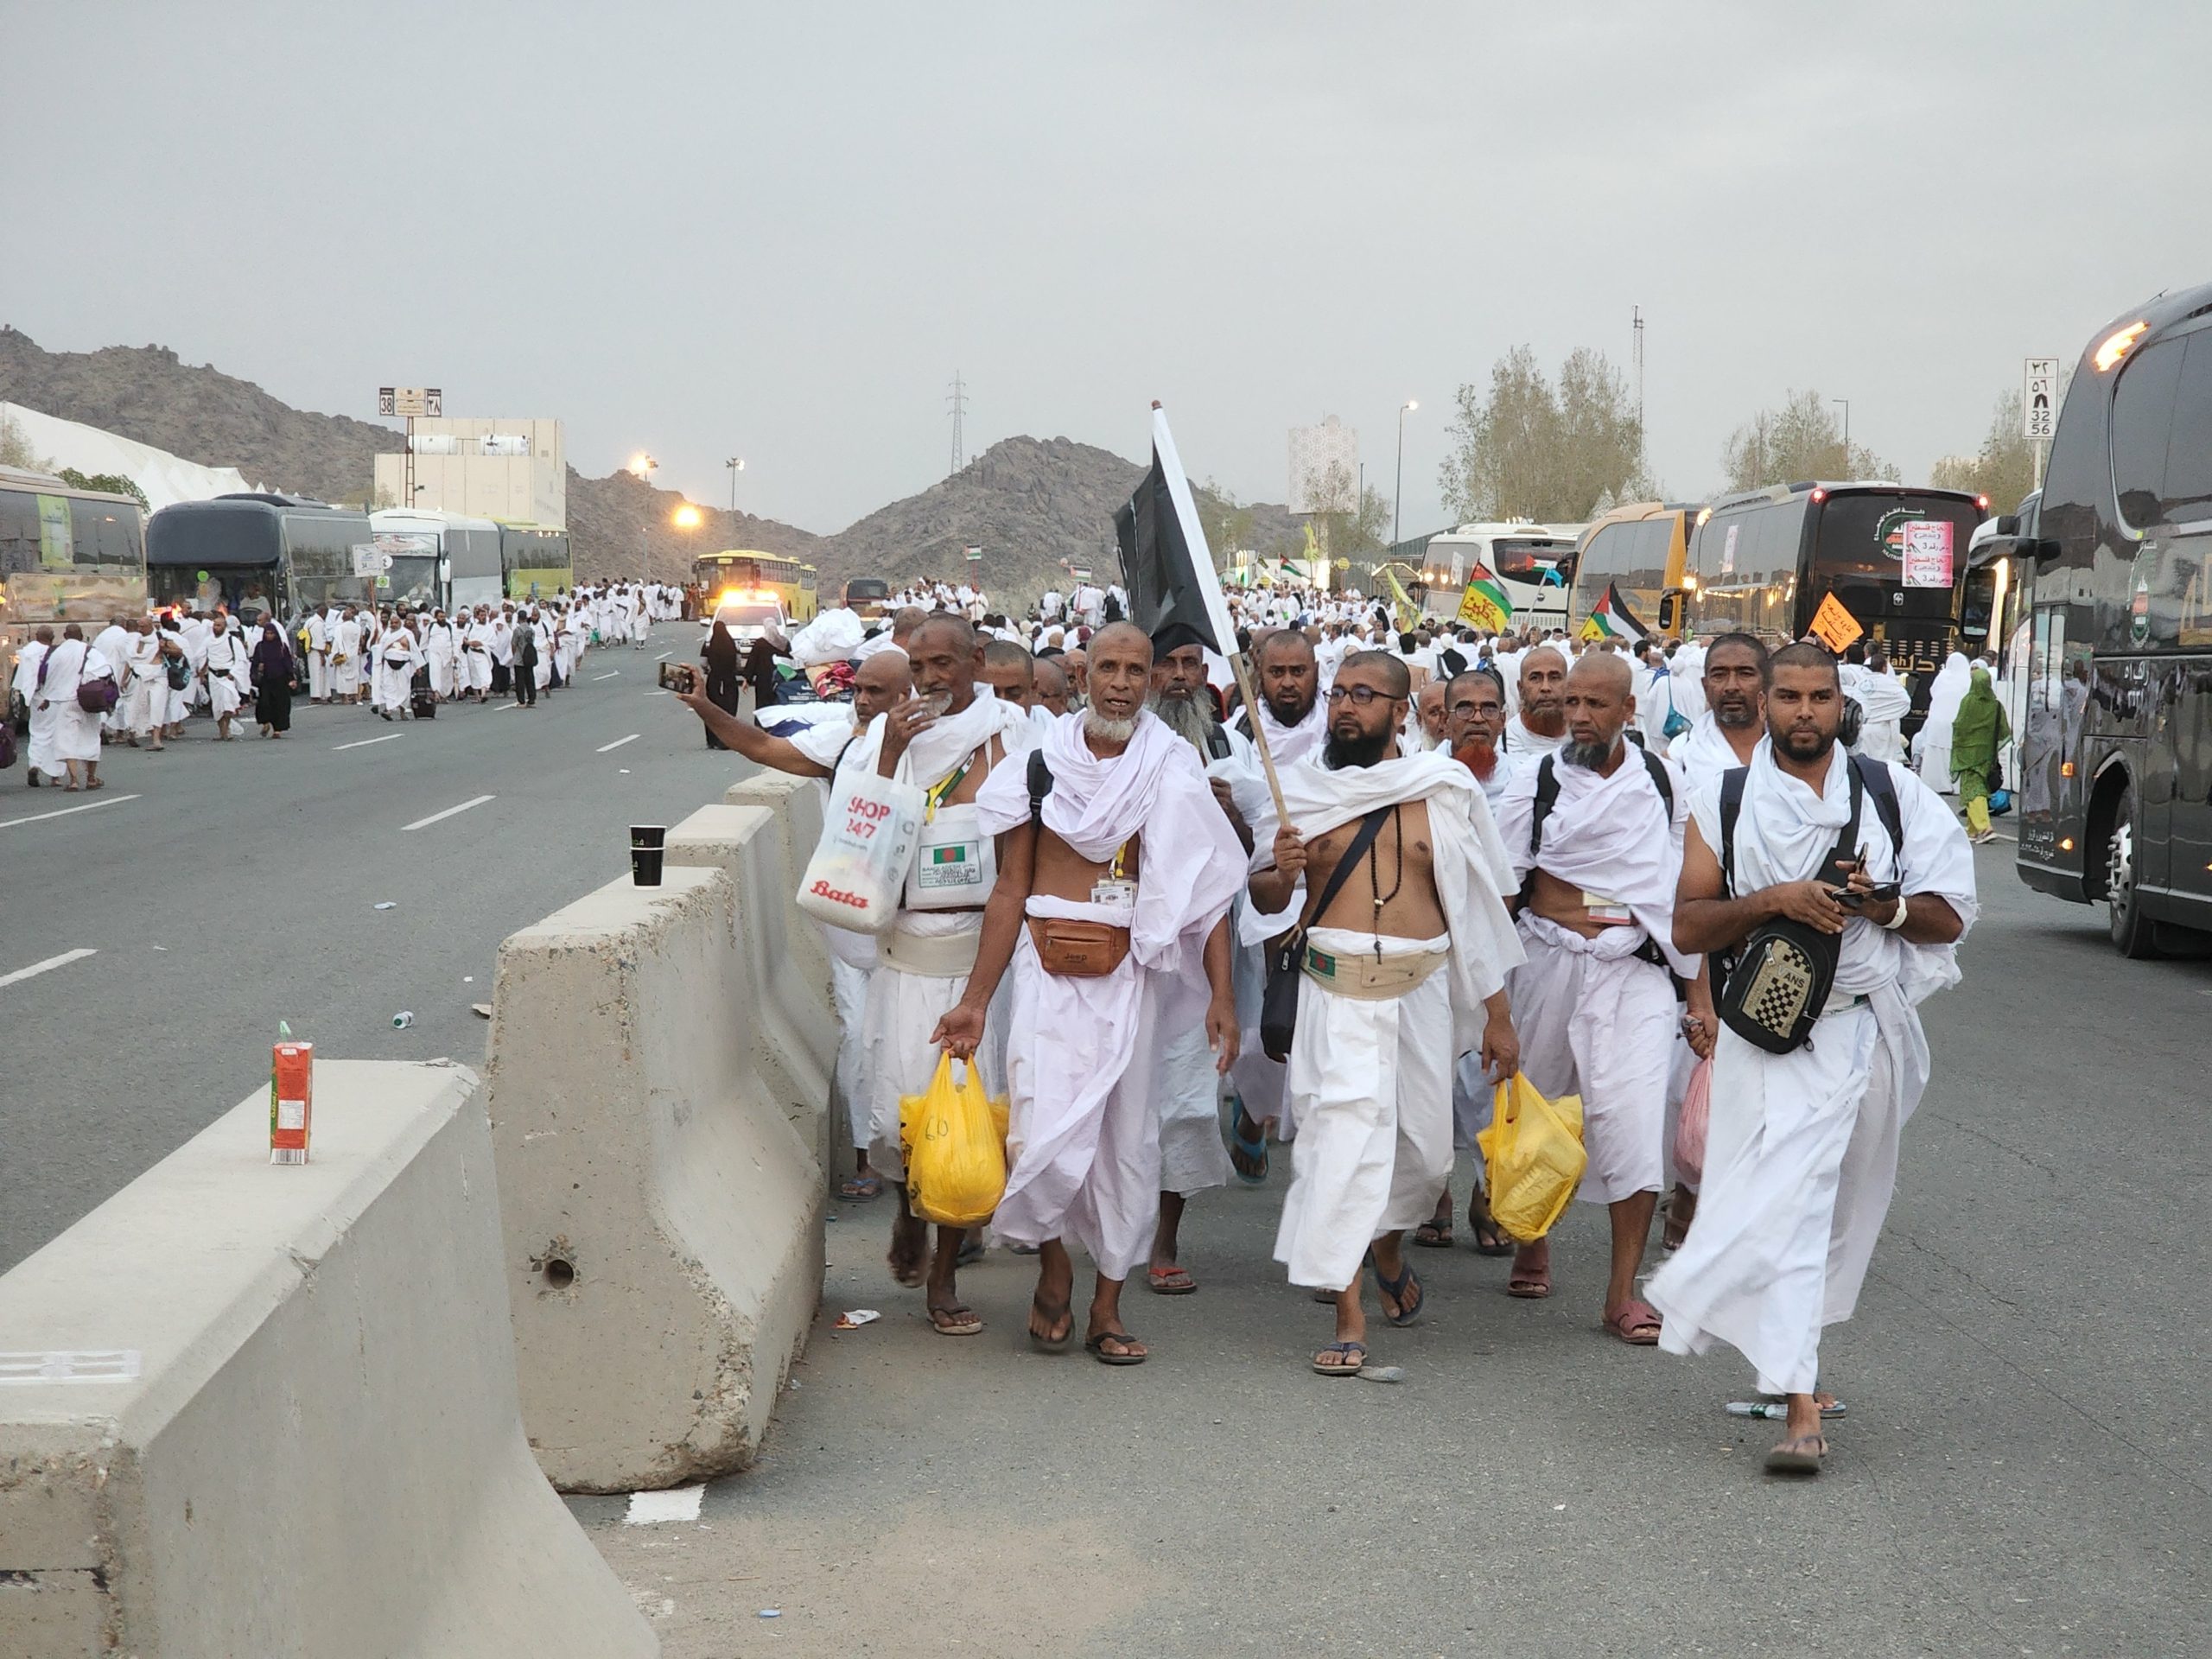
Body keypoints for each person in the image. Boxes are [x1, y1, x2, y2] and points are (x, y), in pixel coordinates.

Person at [1650, 644, 1976, 1475]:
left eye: (1819, 697)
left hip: (1863, 1032)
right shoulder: (1721, 800)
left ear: (1841, 703)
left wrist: (1885, 904)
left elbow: (1949, 918)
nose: (1803, 712)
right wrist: (1774, 901)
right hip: (1768, 1035)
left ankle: (1789, 1358)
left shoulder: (1892, 796)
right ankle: (1799, 1404)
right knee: (1791, 1208)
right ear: (1762, 703)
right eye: (1787, 696)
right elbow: (1688, 926)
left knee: (1831, 1214)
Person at [934, 622, 1245, 1366]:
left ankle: (1107, 1306)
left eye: (1135, 671)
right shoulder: (1038, 767)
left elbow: (1203, 900)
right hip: (1045, 973)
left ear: (1149, 680)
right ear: (1084, 676)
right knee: (1040, 1128)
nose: (1120, 683)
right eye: (1107, 667)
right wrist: (976, 999)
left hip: (1129, 973)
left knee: (1125, 1139)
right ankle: (1053, 1267)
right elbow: (1010, 889)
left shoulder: (1171, 767)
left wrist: (1223, 997)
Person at [1249, 650, 1522, 1374]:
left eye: (1363, 695)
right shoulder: (1301, 795)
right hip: (1334, 994)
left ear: (1402, 711)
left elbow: (1478, 911)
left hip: (1421, 994)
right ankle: (1348, 1314)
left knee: (1425, 1157)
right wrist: (1281, 869)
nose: (1344, 706)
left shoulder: (1445, 788)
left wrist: (1498, 1016)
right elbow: (1267, 903)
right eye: (1338, 694)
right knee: (1338, 1147)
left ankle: (1389, 1250)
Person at [1491, 652, 1711, 1340]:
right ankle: (1533, 1236)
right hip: (1548, 964)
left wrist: (1699, 997)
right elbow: (1500, 895)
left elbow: (1688, 897)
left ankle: (1622, 1294)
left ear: (1627, 712)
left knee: (1633, 1125)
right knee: (1540, 1111)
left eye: (1594, 705)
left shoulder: (1665, 783)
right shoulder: (1537, 783)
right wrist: (1494, 1008)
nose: (1578, 717)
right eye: (1571, 704)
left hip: (1636, 972)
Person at [855, 616, 1034, 1335]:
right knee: (907, 1109)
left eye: (943, 664)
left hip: (979, 952)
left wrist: (982, 991)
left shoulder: (1015, 737)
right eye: (919, 666)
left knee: (969, 1112)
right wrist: (891, 753)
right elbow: (857, 836)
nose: (930, 680)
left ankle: (944, 1272)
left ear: (976, 662)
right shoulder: (882, 739)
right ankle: (908, 1214)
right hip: (905, 953)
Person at [1137, 638, 1253, 1294]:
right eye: (1166, 666)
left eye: (1190, 666)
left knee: (1183, 1096)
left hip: (1197, 948)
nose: (1178, 678)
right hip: (1116, 953)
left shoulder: (1234, 751)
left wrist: (1228, 817)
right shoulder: (1105, 749)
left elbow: (1245, 859)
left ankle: (1163, 1236)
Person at [1223, 627, 1328, 1182]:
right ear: (1258, 675)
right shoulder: (1237, 734)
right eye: (1276, 673)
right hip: (1266, 890)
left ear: (1316, 671)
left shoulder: (1342, 727)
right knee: (1269, 1024)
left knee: (1322, 1034)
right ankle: (1255, 1110)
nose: (1289, 683)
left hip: (1335, 896)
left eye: (1299, 672)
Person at [32, 624, 113, 791]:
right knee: (91, 737)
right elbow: (105, 671)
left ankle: (74, 780)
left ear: (65, 635)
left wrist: (47, 698)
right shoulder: (91, 651)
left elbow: (49, 677)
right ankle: (91, 778)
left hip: (66, 702)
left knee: (66, 739)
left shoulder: (57, 653)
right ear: (82, 635)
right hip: (89, 702)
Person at [1948, 664, 2010, 843]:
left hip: (1968, 754)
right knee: (1976, 788)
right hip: (1987, 756)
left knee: (1974, 791)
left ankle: (1984, 828)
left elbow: (1960, 725)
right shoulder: (1996, 705)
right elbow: (2004, 731)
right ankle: (1972, 830)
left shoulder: (1969, 701)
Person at [1914, 651, 1971, 792]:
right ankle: (1956, 785)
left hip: (1937, 721)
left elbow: (1933, 691)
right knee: (1954, 753)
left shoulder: (1942, 676)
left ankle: (1937, 784)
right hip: (1957, 721)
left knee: (1936, 753)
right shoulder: (1968, 680)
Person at [1505, 645, 1568, 757]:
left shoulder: (1587, 739)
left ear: (1568, 685)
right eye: (1535, 678)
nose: (1545, 687)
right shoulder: (1504, 745)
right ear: (1521, 689)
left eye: (1554, 677)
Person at [200, 613, 250, 741]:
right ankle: (221, 732)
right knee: (217, 706)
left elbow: (241, 659)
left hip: (226, 677)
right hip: (213, 676)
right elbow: (202, 657)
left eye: (219, 625)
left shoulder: (232, 641)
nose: (216, 628)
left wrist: (233, 673)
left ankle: (226, 729)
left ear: (225, 627)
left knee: (227, 704)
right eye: (214, 625)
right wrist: (201, 673)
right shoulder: (208, 641)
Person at [250, 618, 298, 737]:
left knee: (280, 704)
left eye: (272, 633)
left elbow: (287, 662)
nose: (269, 636)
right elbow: (254, 662)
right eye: (267, 633)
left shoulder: (281, 646)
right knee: (265, 703)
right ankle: (266, 723)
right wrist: (258, 669)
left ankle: (277, 730)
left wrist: (292, 677)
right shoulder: (260, 646)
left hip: (280, 679)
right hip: (266, 679)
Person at [701, 616, 743, 749]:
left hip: (715, 680)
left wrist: (710, 669)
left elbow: (703, 663)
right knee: (729, 710)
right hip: (729, 680)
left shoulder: (708, 646)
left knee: (712, 711)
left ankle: (712, 741)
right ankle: (727, 741)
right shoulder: (732, 644)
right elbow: (738, 661)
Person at [510, 612, 539, 708]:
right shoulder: (531, 630)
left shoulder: (517, 630)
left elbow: (514, 644)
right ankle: (532, 699)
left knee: (520, 681)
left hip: (519, 658)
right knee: (530, 679)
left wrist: (514, 654)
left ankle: (521, 701)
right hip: (529, 657)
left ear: (519, 618)